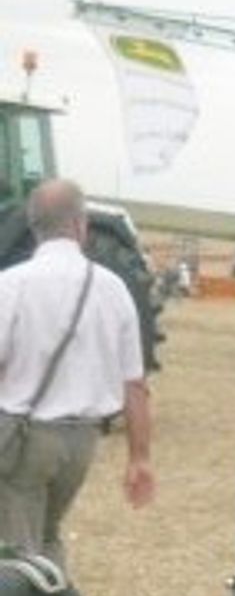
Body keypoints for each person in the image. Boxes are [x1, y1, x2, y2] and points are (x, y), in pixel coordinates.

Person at [0, 178, 155, 568]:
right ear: (80, 225)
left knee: (16, 555)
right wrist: (139, 457)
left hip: (24, 438)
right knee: (49, 537)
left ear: (33, 226)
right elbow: (135, 384)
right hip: (81, 444)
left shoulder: (11, 284)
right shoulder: (114, 289)